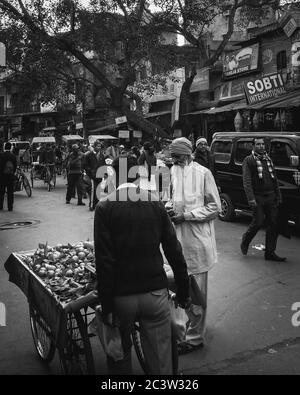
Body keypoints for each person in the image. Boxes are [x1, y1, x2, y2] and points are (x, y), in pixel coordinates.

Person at [94, 156, 191, 375]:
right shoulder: (154, 203)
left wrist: (107, 306)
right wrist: (183, 291)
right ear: (138, 175)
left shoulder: (104, 207)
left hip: (121, 298)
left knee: (120, 355)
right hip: (155, 295)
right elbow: (174, 251)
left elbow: (104, 262)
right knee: (161, 360)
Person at [167, 137, 221, 354]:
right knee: (180, 289)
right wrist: (170, 208)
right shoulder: (173, 171)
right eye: (173, 157)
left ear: (188, 155)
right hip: (178, 240)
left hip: (198, 242)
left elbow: (214, 207)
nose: (175, 160)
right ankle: (183, 331)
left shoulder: (203, 173)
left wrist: (187, 215)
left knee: (197, 293)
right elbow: (170, 197)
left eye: (178, 156)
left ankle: (195, 339)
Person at [241, 138, 286, 262]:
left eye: (262, 144)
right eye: (258, 144)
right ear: (253, 146)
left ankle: (270, 252)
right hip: (258, 197)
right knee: (258, 222)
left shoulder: (268, 159)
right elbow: (247, 181)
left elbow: (274, 179)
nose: (261, 146)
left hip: (271, 196)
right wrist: (251, 198)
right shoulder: (249, 160)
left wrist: (278, 195)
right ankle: (245, 240)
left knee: (273, 224)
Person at [84, 140, 106, 210]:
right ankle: (92, 205)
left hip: (100, 175)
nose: (99, 147)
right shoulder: (89, 155)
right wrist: (90, 171)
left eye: (100, 146)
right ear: (94, 146)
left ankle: (97, 205)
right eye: (97, 146)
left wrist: (105, 173)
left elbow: (104, 165)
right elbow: (86, 165)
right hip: (92, 176)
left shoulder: (102, 155)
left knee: (99, 191)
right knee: (93, 190)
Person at [0, 142, 17, 211]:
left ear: (4, 147)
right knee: (10, 192)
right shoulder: (13, 156)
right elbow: (15, 166)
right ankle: (10, 207)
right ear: (10, 148)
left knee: (1, 191)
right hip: (10, 176)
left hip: (2, 176)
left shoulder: (1, 155)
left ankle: (0, 206)